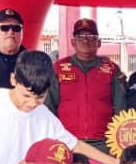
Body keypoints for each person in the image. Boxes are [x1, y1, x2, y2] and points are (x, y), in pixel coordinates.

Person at [47, 18, 125, 151]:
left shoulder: (111, 69)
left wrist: (119, 140)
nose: (85, 40)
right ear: (73, 42)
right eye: (80, 36)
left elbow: (121, 107)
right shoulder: (58, 68)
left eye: (91, 36)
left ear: (99, 42)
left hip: (105, 143)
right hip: (67, 141)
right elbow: (48, 107)